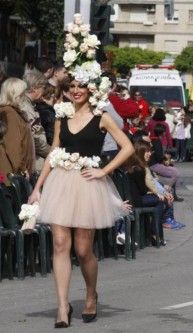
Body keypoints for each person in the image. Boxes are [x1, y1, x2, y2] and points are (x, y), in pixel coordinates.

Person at [27, 17, 135, 328]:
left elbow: (127, 147)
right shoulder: (61, 114)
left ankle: (90, 294)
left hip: (88, 183)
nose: (76, 91)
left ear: (91, 88)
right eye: (72, 86)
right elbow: (55, 151)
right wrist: (38, 187)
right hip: (62, 180)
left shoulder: (102, 117)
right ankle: (62, 307)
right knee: (60, 244)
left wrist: (104, 172)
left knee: (83, 249)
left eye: (81, 86)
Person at [0, 78, 35, 180]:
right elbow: (13, 147)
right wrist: (22, 171)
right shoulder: (9, 113)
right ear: (15, 95)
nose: (24, 97)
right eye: (22, 93)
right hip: (11, 175)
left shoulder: (13, 112)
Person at [22, 71, 51, 171]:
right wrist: (52, 152)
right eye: (43, 88)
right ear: (35, 88)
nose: (44, 92)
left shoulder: (28, 104)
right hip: (33, 160)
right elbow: (35, 139)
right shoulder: (25, 107)